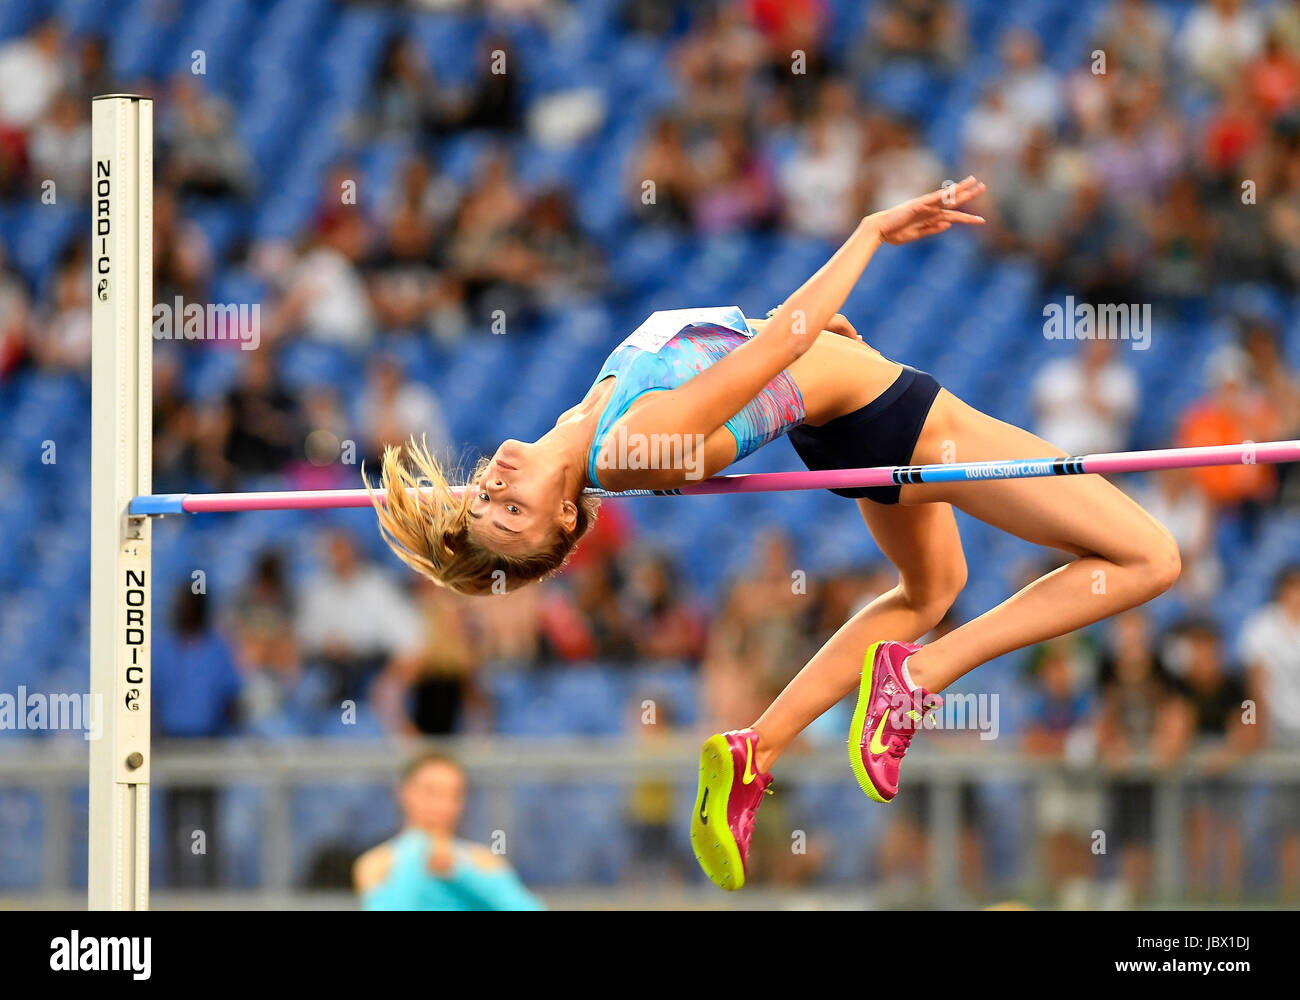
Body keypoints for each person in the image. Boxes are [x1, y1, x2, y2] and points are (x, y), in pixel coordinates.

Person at [368, 178, 1182, 890]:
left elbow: (735, 344)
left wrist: (829, 347)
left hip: (849, 427)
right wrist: (871, 231)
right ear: (570, 516)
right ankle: (923, 676)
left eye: (484, 500)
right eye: (512, 514)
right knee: (1150, 557)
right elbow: (778, 344)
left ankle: (756, 750)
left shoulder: (582, 417)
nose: (496, 489)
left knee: (930, 590)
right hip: (900, 424)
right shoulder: (625, 451)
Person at [354, 752, 542, 910]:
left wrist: (459, 871)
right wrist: (417, 849)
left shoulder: (483, 860)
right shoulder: (376, 864)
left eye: (454, 794)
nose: (443, 805)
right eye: (431, 792)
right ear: (403, 792)